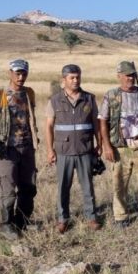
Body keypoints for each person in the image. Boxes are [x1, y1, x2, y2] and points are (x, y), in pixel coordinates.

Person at [99, 61, 138, 230]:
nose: (130, 78)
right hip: (120, 147)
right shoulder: (111, 95)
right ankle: (120, 217)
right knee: (119, 184)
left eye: (133, 75)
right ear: (119, 76)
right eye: (127, 75)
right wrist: (107, 146)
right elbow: (103, 121)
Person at [0, 58, 38, 240]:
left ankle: (22, 222)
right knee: (8, 188)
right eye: (18, 73)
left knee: (28, 187)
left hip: (27, 148)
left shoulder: (29, 93)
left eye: (24, 73)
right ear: (10, 73)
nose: (21, 77)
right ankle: (6, 224)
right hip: (8, 150)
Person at [44, 64, 102, 233]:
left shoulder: (89, 98)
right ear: (64, 79)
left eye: (78, 77)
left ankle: (91, 217)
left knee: (88, 186)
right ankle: (63, 219)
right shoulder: (54, 100)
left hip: (85, 149)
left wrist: (99, 144)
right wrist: (50, 150)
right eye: (72, 78)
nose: (76, 80)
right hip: (64, 151)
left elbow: (96, 123)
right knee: (63, 187)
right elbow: (49, 126)